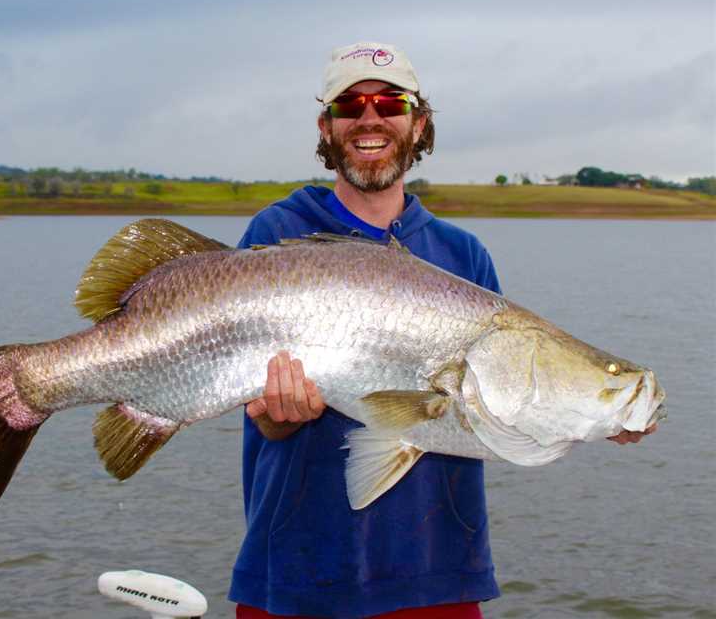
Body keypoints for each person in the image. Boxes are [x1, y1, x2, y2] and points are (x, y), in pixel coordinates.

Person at [228, 42, 655, 619]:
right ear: (326, 127)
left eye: (390, 102)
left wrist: (590, 415)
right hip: (296, 575)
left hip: (440, 577)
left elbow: (490, 411)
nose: (370, 117)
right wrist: (273, 414)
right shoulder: (277, 232)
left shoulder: (464, 255)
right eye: (350, 105)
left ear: (418, 122)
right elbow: (257, 411)